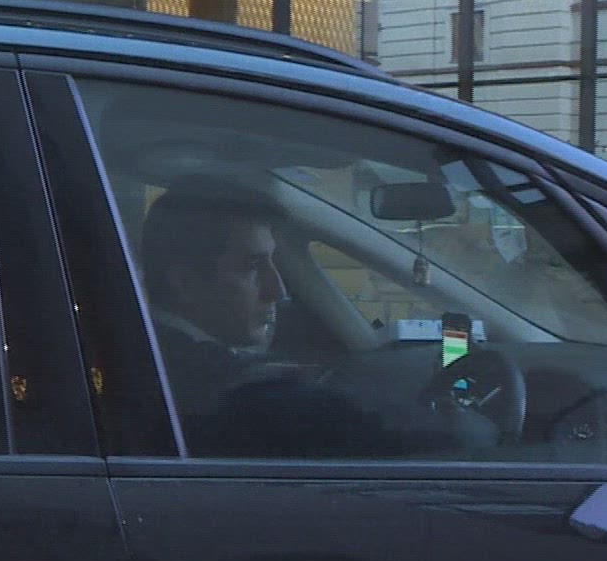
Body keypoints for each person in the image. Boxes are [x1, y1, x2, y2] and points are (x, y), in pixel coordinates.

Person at [137, 175, 497, 456]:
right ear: (185, 283)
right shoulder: (234, 391)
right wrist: (472, 429)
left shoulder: (151, 356)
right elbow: (423, 441)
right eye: (253, 266)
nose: (277, 290)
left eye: (274, 263)